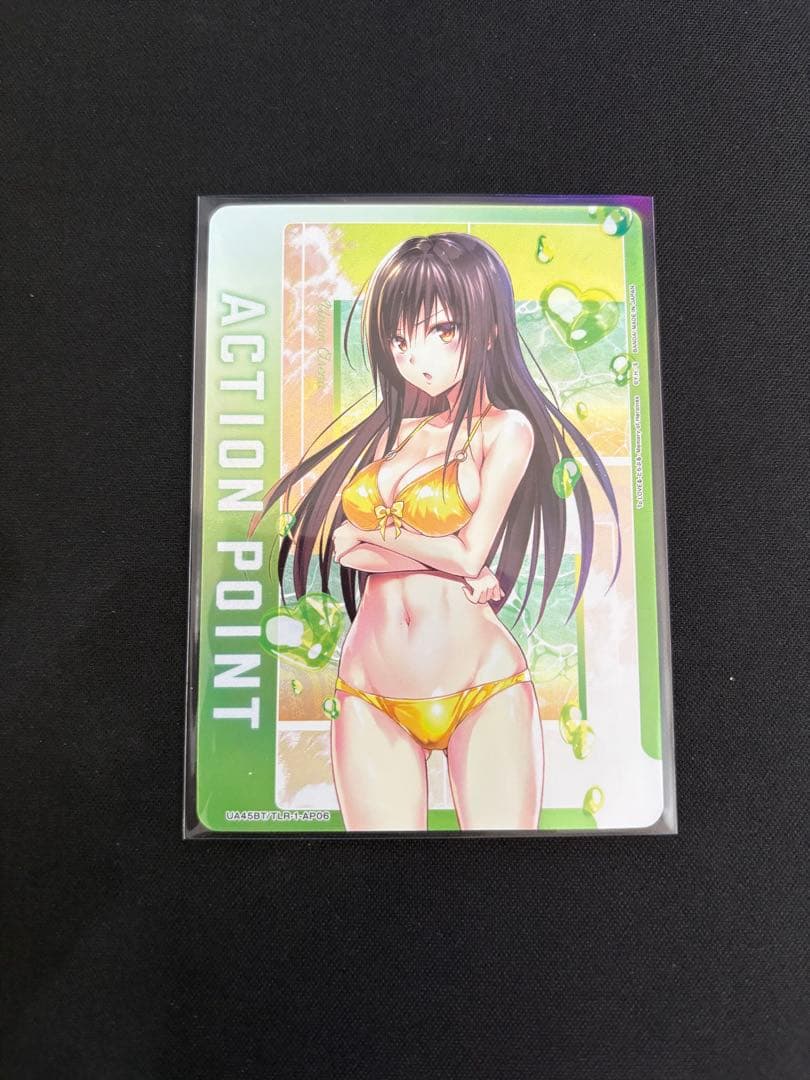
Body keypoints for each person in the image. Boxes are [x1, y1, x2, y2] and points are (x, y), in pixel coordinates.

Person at [249, 232, 619, 830]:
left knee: (507, 872)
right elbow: (348, 549)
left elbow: (466, 553)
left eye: (440, 331)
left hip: (483, 686)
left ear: (489, 328)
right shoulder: (396, 433)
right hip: (368, 690)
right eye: (399, 339)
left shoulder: (508, 430)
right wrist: (423, 552)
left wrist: (377, 536)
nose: (414, 356)